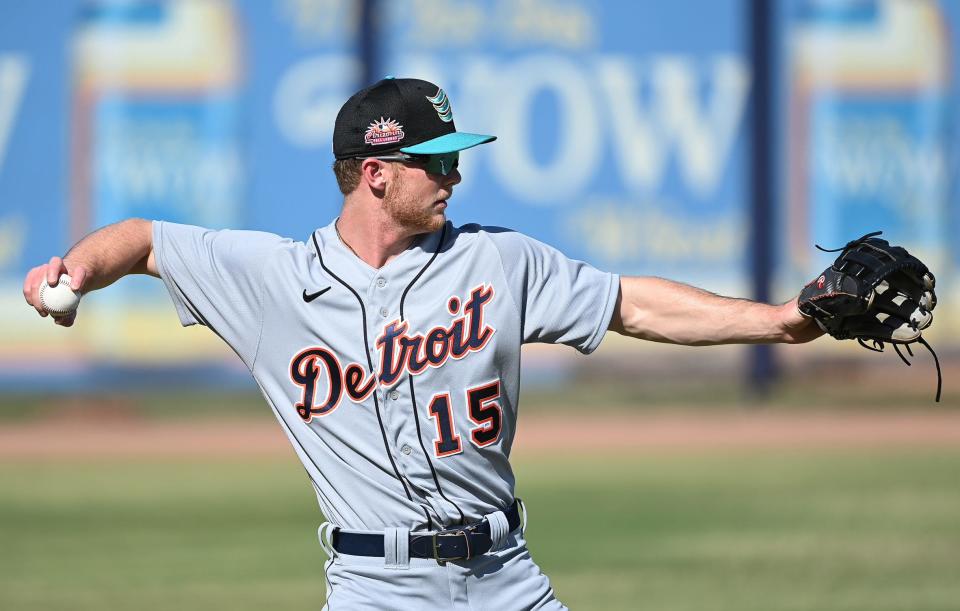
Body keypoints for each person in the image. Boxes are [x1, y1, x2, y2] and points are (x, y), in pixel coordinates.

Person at [23, 77, 823, 609]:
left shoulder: (497, 260)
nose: (454, 174)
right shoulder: (271, 279)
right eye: (435, 159)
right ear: (376, 173)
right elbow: (144, 239)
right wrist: (75, 270)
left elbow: (633, 305)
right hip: (377, 584)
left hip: (507, 573)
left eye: (455, 157)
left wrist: (782, 319)